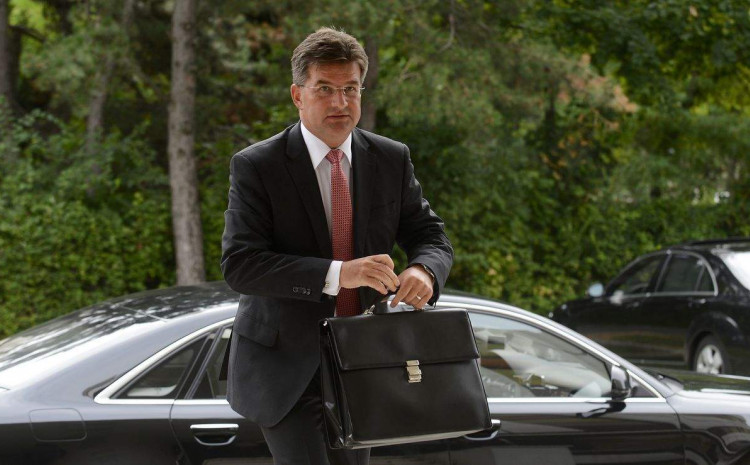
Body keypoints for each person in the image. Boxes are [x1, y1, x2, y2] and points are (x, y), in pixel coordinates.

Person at [220, 26, 453, 465]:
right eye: (325, 89)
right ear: (298, 95)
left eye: (351, 89)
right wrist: (338, 274)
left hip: (362, 360)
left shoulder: (391, 158)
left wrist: (424, 269)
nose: (340, 103)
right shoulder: (257, 166)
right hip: (286, 368)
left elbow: (430, 235)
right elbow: (241, 264)